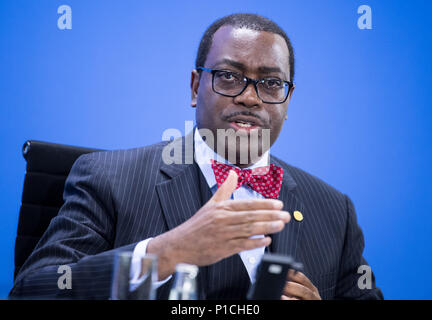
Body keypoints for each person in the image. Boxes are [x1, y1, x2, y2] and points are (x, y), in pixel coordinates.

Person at [10, 13, 383, 300]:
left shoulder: (335, 210)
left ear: (288, 101)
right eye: (228, 76)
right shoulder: (108, 179)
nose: (250, 98)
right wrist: (164, 252)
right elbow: (33, 290)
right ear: (195, 86)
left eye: (271, 84)